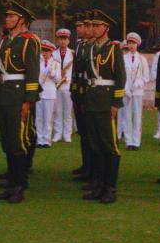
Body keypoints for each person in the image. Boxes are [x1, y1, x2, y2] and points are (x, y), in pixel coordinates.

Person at [0, 0, 40, 204]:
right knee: (7, 140)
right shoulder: (6, 41)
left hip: (18, 95)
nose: (8, 19)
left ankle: (19, 186)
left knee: (17, 142)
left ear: (22, 20)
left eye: (12, 16)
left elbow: (32, 72)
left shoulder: (29, 41)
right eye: (7, 16)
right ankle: (12, 182)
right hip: (4, 94)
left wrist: (28, 101)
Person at [81, 10, 126, 204]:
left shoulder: (113, 49)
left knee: (109, 146)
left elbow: (121, 77)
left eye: (97, 25)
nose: (93, 28)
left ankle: (110, 188)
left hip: (106, 102)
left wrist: (116, 103)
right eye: (92, 25)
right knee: (95, 145)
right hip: (92, 100)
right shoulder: (91, 48)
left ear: (106, 28)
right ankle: (98, 185)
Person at [70, 14, 92, 181]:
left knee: (90, 133)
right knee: (83, 132)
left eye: (82, 26)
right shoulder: (79, 44)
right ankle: (86, 165)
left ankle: (91, 168)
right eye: (77, 26)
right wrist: (74, 90)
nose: (78, 29)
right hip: (78, 90)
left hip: (88, 91)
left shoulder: (91, 46)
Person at [122, 32, 148, 150]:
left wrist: (138, 84)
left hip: (138, 92)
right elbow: (121, 76)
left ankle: (136, 142)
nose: (131, 45)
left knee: (137, 116)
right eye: (130, 43)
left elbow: (146, 77)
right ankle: (128, 141)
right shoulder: (123, 59)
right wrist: (126, 88)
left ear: (137, 44)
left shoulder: (142, 59)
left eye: (134, 43)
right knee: (127, 116)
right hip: (126, 92)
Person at [51, 29, 75, 143]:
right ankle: (57, 133)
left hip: (68, 85)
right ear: (58, 40)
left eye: (65, 39)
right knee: (57, 111)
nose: (63, 41)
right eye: (61, 39)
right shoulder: (53, 54)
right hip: (56, 85)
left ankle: (67, 134)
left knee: (68, 112)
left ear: (68, 40)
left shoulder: (73, 54)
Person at [37, 40, 61, 147]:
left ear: (51, 52)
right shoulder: (38, 62)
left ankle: (46, 140)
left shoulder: (55, 63)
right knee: (39, 117)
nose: (44, 53)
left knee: (48, 118)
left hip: (49, 93)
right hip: (39, 92)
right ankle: (39, 140)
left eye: (47, 51)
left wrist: (52, 73)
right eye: (43, 50)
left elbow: (58, 79)